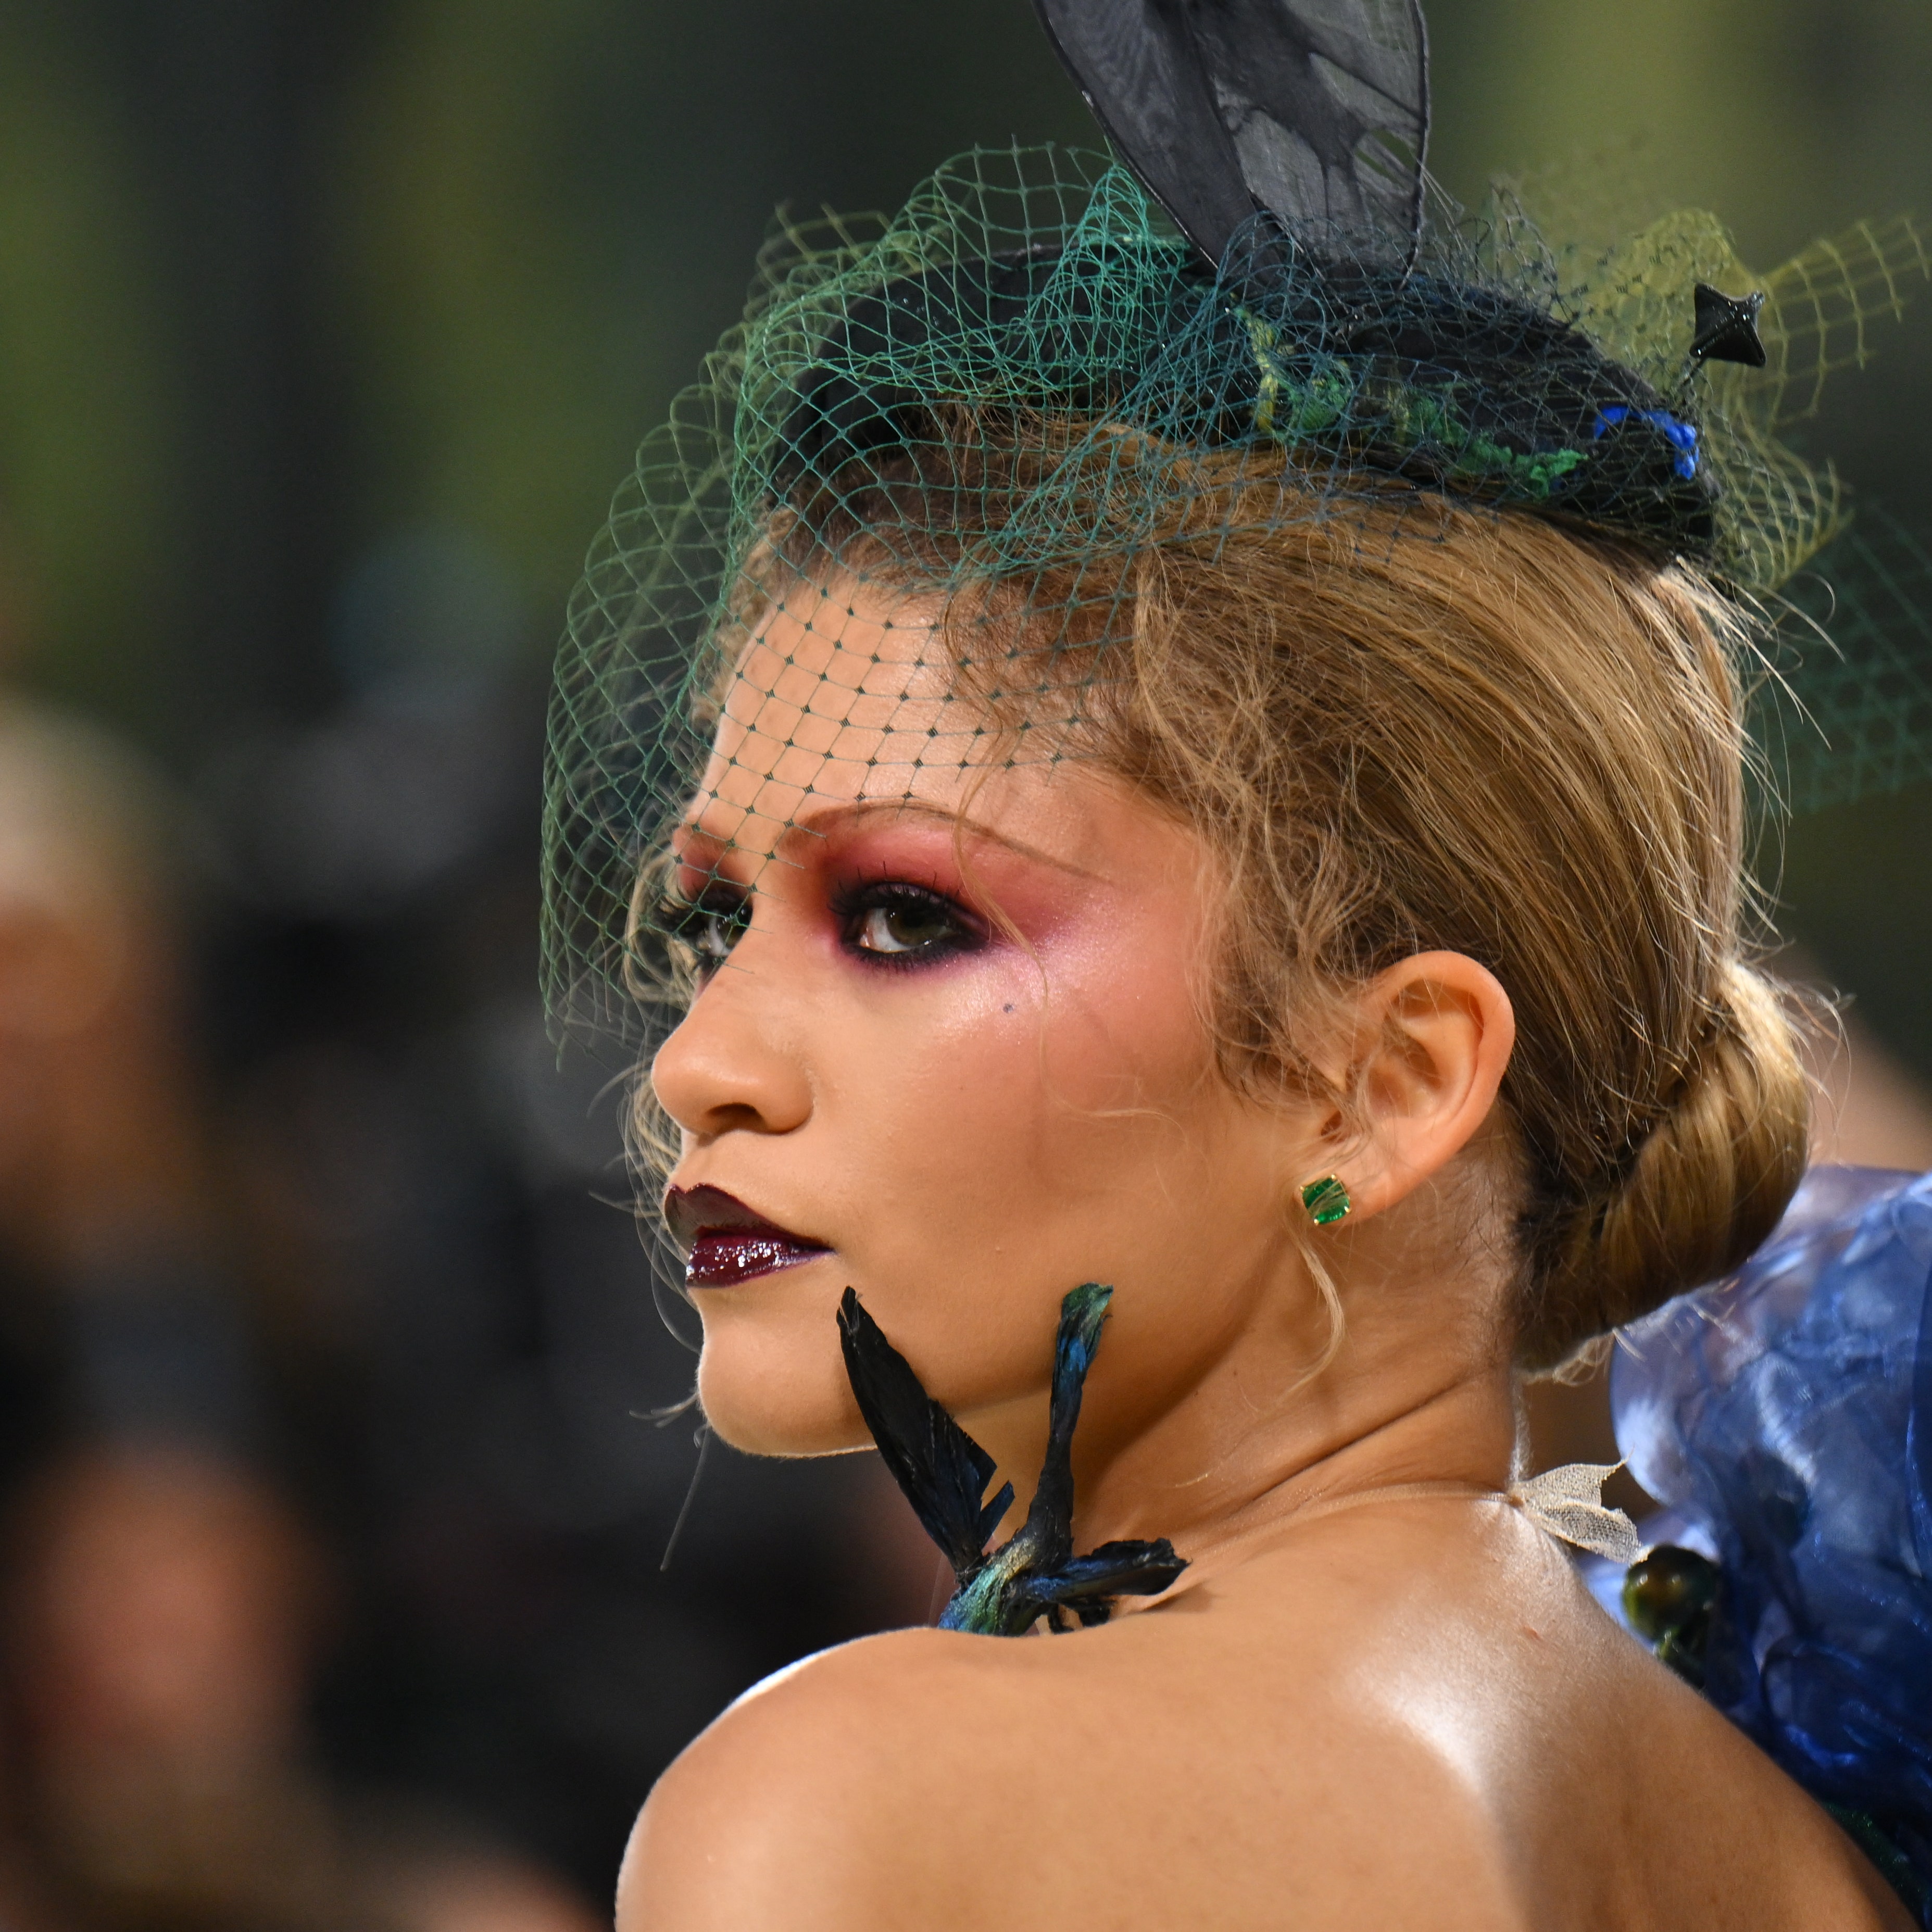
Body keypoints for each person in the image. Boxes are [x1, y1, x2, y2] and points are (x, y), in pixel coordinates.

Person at [540, 2, 1932, 1924]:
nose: (704, 1060)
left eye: (905, 918)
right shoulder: (1790, 1846)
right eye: (718, 917)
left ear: (1391, 1075)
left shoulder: (876, 1808)